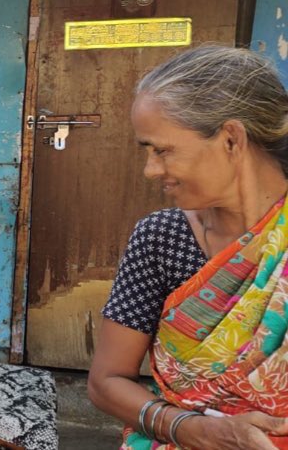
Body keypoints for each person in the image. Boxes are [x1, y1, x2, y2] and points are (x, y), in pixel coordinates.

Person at [88, 45, 288, 450]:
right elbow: (106, 381)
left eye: (162, 150)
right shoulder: (163, 239)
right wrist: (193, 430)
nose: (150, 170)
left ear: (231, 139)